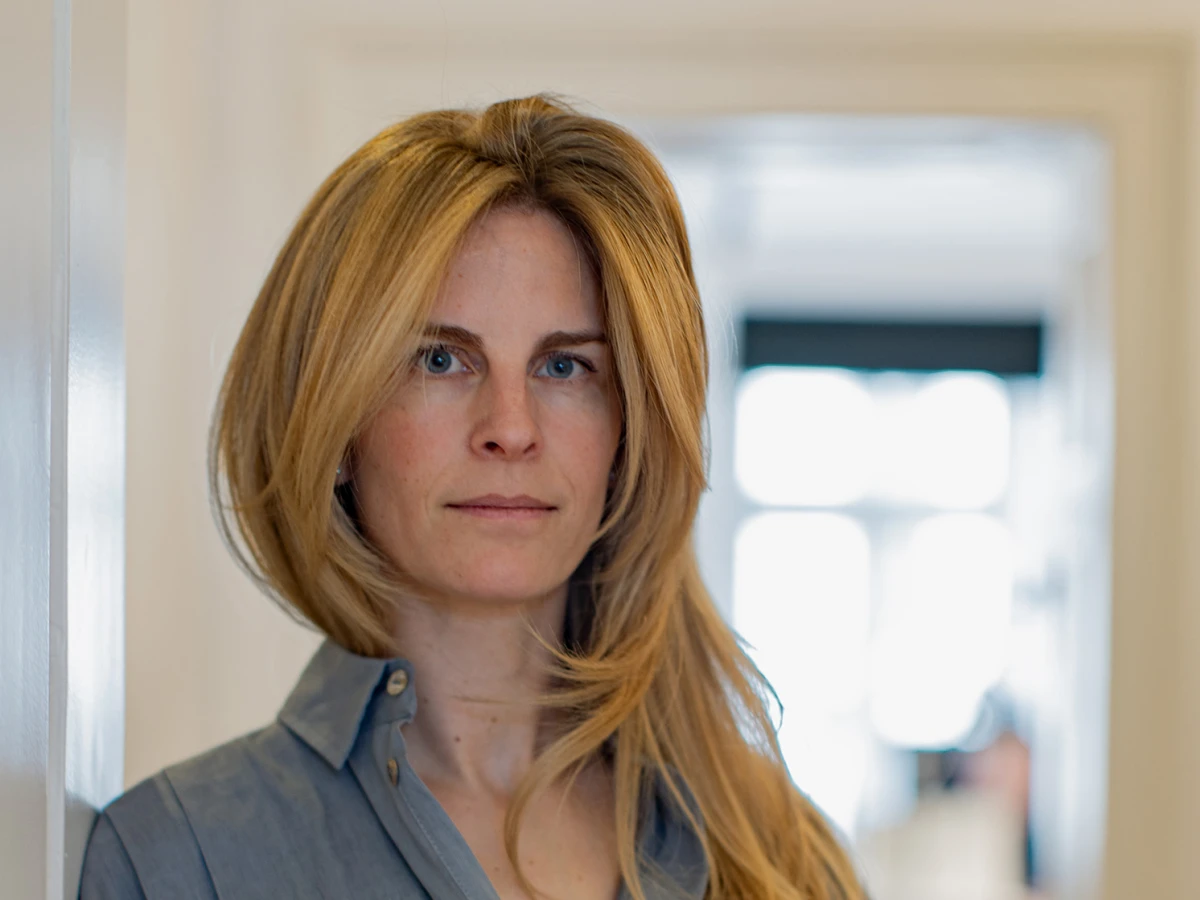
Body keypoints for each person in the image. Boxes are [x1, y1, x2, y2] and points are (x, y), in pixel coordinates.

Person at [78, 93, 866, 900]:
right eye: (441, 361)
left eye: (565, 367)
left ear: (625, 438)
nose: (510, 429)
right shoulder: (177, 858)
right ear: (338, 423)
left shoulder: (778, 852)